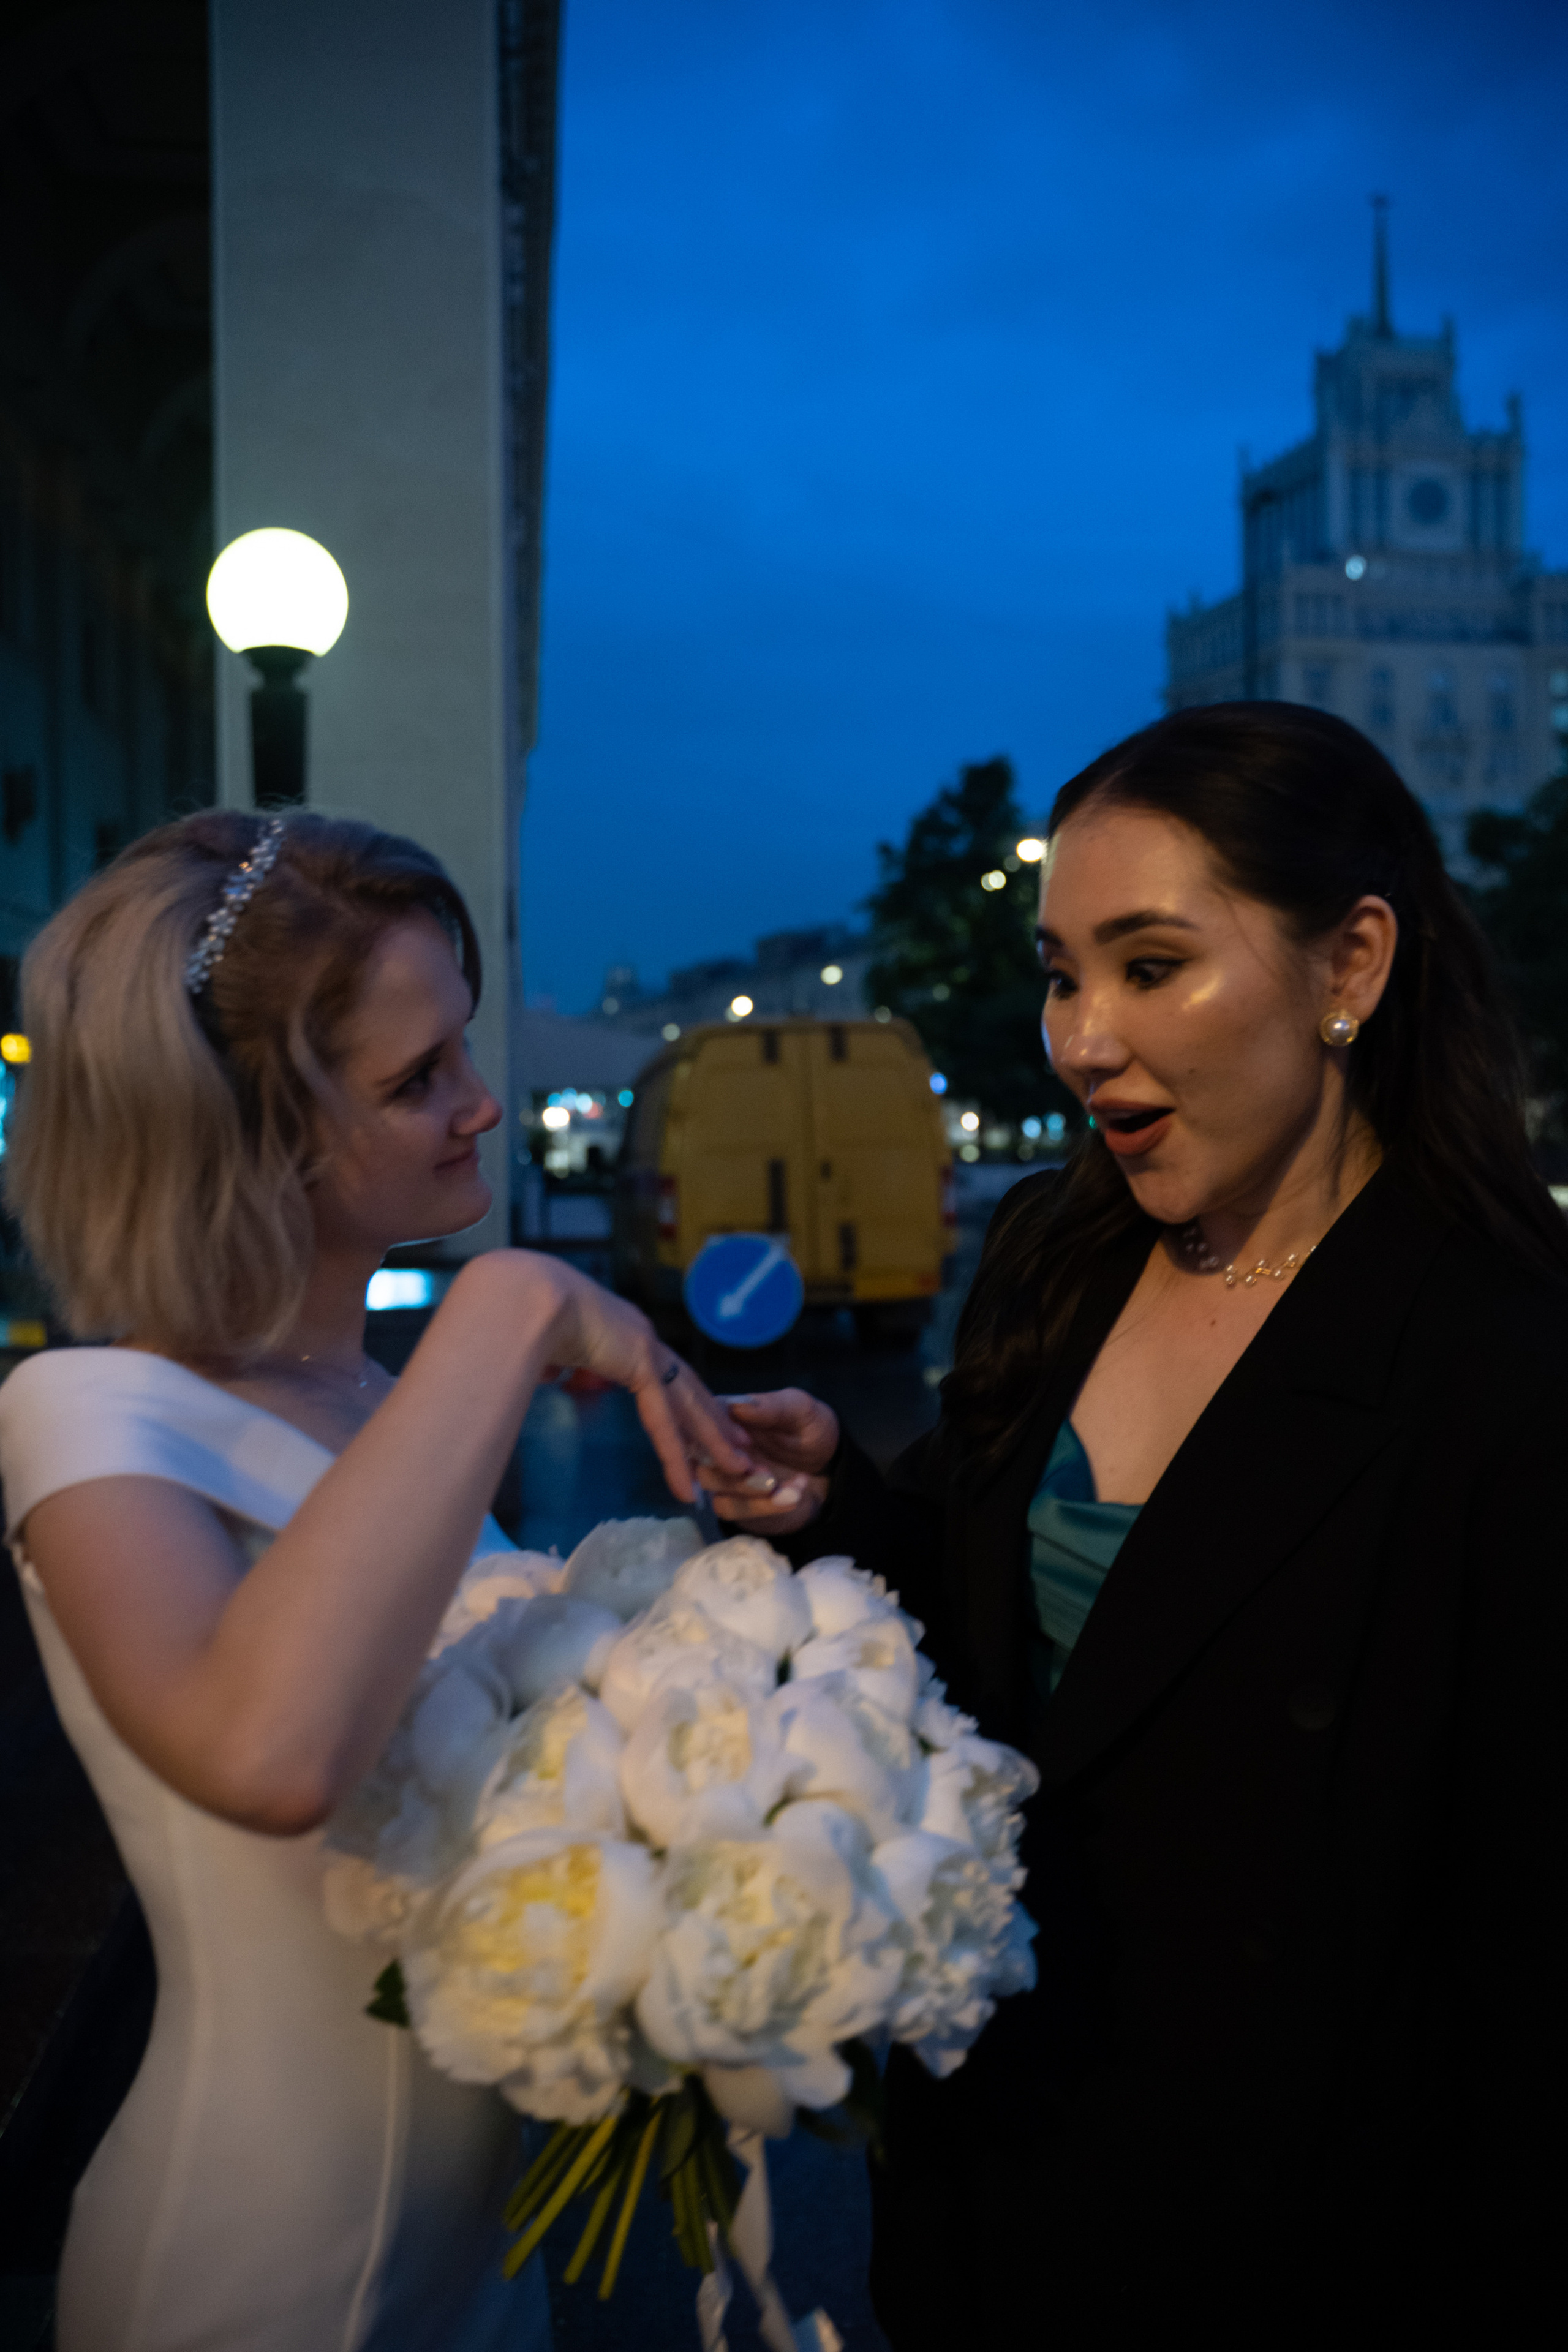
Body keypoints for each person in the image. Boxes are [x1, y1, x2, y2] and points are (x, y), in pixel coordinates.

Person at [703, 703, 1567, 2345]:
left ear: (1351, 966)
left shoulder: (1499, 1362)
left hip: (1307, 2237)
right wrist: (833, 1508)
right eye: (1060, 973)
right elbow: (982, 1668)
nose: (1084, 1038)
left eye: (1151, 966)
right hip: (989, 2181)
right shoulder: (1054, 1254)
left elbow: (1524, 1956)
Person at [0, 810, 753, 2352]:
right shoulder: (85, 1417)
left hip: (476, 2269)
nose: (484, 1107)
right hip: (257, 2269)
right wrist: (513, 1299)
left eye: (464, 1050)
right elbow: (270, 1750)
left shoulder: (380, 1407)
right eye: (419, 1081)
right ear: (249, 1131)